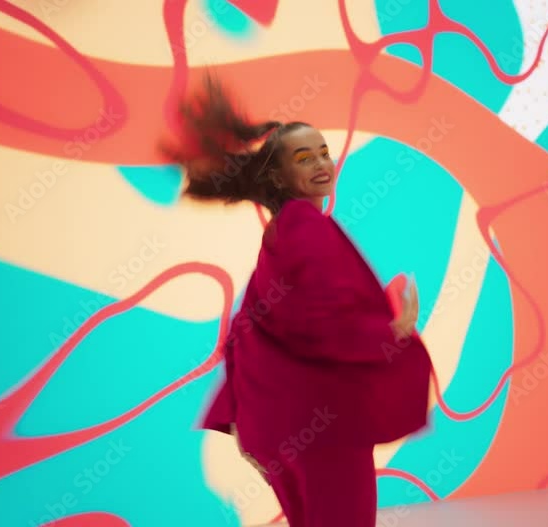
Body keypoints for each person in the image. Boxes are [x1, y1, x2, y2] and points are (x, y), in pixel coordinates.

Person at [162, 72, 434, 527]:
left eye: (324, 152)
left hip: (290, 426)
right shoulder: (306, 227)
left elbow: (252, 325)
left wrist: (247, 419)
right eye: (304, 158)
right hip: (325, 427)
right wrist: (391, 332)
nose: (321, 164)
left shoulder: (282, 231)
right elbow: (320, 321)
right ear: (278, 175)